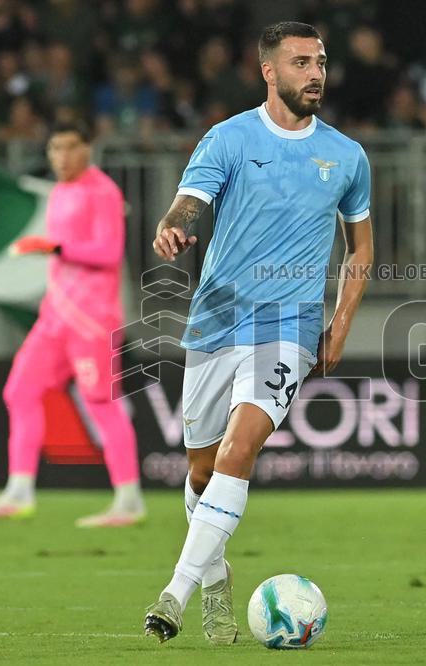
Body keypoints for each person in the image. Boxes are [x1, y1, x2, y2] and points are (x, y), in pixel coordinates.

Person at [142, 21, 374, 644]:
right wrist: (173, 227)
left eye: (321, 61)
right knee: (198, 471)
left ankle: (176, 594)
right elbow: (189, 202)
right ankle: (215, 572)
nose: (316, 73)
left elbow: (361, 251)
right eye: (301, 63)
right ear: (268, 70)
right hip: (217, 315)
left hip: (289, 324)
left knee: (238, 451)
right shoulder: (228, 139)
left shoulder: (347, 156)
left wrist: (340, 326)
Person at [0, 121, 144, 528]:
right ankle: (19, 492)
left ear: (87, 150)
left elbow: (109, 251)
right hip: (55, 316)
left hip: (91, 321)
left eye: (70, 147)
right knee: (19, 391)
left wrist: (55, 247)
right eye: (54, 148)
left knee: (100, 404)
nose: (61, 157)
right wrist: (52, 253)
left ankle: (129, 500)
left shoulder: (103, 192)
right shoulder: (61, 191)